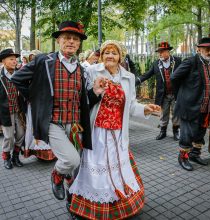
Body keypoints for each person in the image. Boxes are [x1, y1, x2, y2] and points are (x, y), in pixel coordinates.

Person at [68, 40, 161, 220]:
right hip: (97, 132)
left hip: (118, 132)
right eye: (106, 52)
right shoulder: (91, 72)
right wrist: (96, 91)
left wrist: (145, 109)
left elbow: (131, 106)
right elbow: (83, 102)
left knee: (117, 169)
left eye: (114, 52)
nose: (110, 55)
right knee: (96, 169)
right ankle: (85, 206)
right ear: (101, 55)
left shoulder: (128, 77)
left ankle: (117, 205)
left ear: (121, 56)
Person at [11, 21, 100, 201]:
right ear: (59, 40)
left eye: (75, 39)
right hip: (53, 122)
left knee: (76, 169)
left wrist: (96, 92)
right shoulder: (44, 61)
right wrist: (37, 99)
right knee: (71, 160)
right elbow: (17, 78)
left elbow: (84, 100)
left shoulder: (81, 69)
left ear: (79, 44)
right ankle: (56, 176)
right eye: (67, 38)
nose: (71, 42)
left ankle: (72, 201)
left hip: (75, 125)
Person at [171, 37, 210, 171]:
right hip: (190, 107)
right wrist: (181, 96)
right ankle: (183, 158)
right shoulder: (191, 62)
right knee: (187, 135)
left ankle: (194, 154)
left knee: (200, 134)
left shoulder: (209, 64)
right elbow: (174, 78)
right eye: (207, 50)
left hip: (206, 107)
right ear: (199, 49)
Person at [136, 42, 182, 141]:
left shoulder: (177, 61)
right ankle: (163, 131)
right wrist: (136, 81)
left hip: (176, 93)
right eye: (159, 52)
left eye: (162, 51)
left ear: (168, 51)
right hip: (163, 94)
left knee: (176, 113)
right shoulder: (156, 64)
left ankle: (176, 131)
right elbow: (147, 75)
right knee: (163, 114)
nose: (160, 54)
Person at [0, 48, 25, 169]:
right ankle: (6, 157)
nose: (14, 61)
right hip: (6, 112)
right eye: (11, 59)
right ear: (3, 61)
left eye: (15, 59)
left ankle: (16, 155)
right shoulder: (0, 76)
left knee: (21, 134)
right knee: (9, 136)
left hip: (19, 111)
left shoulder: (20, 73)